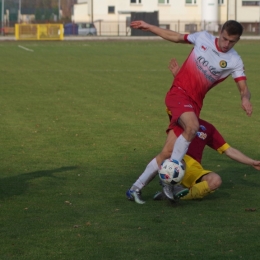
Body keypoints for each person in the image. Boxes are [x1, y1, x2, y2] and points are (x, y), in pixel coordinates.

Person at [126, 20, 253, 203]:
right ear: (220, 31)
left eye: (232, 42)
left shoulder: (234, 60)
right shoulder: (203, 38)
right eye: (224, 39)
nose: (226, 44)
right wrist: (150, 27)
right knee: (193, 126)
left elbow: (243, 87)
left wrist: (245, 98)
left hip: (194, 105)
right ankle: (169, 181)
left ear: (237, 40)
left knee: (168, 151)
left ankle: (135, 189)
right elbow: (176, 37)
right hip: (178, 94)